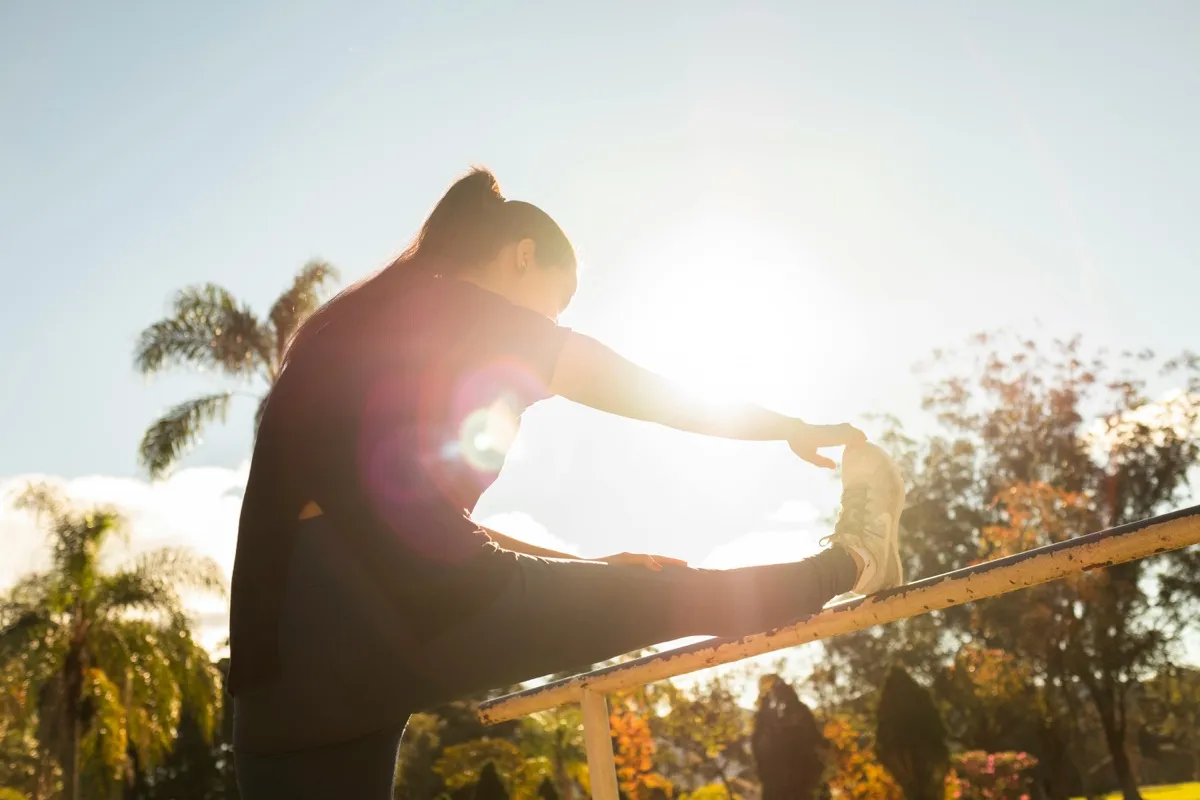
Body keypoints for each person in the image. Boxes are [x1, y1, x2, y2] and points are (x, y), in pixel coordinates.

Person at [228, 168, 906, 799]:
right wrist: (783, 426)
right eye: (556, 304)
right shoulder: (469, 312)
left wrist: (583, 566)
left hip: (281, 686)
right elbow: (644, 391)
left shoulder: (359, 327)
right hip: (407, 612)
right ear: (522, 256)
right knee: (681, 598)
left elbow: (393, 525)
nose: (549, 326)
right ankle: (857, 557)